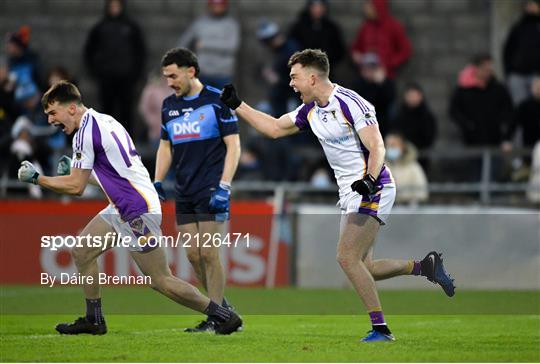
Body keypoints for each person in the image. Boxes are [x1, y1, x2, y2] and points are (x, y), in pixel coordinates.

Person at [220, 49, 455, 342]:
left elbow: (377, 146)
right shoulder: (310, 110)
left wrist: (369, 179)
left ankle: (381, 329)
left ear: (312, 77)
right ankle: (425, 267)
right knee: (364, 265)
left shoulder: (351, 103)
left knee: (345, 257)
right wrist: (237, 105)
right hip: (350, 191)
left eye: (294, 77)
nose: (291, 83)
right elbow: (275, 128)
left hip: (373, 186)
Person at [17, 81, 241, 335]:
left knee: (160, 280)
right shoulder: (103, 121)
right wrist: (77, 171)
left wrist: (38, 179)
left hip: (134, 209)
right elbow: (115, 174)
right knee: (82, 251)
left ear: (71, 108)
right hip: (126, 203)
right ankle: (94, 320)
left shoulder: (84, 133)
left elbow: (76, 188)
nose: (50, 120)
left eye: (52, 112)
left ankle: (224, 316)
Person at [153, 48, 241, 333]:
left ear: (191, 71)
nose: (169, 82)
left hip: (211, 187)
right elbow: (165, 146)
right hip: (184, 190)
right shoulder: (168, 105)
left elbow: (234, 146)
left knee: (209, 254)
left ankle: (217, 318)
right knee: (192, 256)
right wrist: (157, 180)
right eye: (166, 77)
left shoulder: (216, 101)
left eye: (173, 75)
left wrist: (225, 186)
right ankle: (222, 311)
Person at [83, 0, 146, 132]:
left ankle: (127, 141)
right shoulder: (100, 27)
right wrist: (96, 71)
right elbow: (89, 50)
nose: (114, 9)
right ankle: (107, 140)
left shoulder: (131, 27)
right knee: (107, 110)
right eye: (112, 6)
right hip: (107, 77)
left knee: (126, 111)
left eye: (117, 6)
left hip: (126, 77)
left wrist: (135, 73)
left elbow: (140, 51)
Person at [449, 54, 514, 147]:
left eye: (490, 67)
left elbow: (508, 111)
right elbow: (454, 110)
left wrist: (504, 131)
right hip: (471, 142)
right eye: (485, 67)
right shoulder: (463, 90)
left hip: (495, 141)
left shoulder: (498, 88)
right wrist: (467, 125)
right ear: (476, 68)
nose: (489, 71)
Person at [177, 0, 240, 89]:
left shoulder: (231, 24)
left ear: (225, 6)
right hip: (203, 73)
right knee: (201, 101)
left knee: (223, 102)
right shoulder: (200, 23)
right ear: (209, 5)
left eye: (220, 5)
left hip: (224, 74)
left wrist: (205, 45)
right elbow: (183, 42)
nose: (217, 8)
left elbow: (232, 46)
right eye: (214, 5)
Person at [350, 0, 411, 79]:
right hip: (365, 74)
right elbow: (356, 47)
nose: (366, 9)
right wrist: (358, 57)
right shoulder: (366, 26)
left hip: (385, 76)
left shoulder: (393, 26)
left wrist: (388, 64)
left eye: (369, 6)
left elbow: (405, 50)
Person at [289, 0, 346, 73]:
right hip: (303, 68)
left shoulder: (331, 28)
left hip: (325, 69)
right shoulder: (299, 26)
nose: (318, 10)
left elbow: (339, 49)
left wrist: (327, 61)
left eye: (320, 7)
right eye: (315, 7)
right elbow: (292, 47)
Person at [502, 0, 540, 106]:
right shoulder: (519, 27)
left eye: (533, 5)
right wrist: (509, 73)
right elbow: (508, 51)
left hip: (537, 75)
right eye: (528, 5)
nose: (530, 7)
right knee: (521, 108)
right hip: (518, 75)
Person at [351, 52, 395, 137]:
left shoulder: (386, 82)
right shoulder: (357, 84)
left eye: (372, 68)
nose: (369, 71)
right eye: (366, 68)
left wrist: (381, 84)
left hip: (381, 119)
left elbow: (389, 100)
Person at [384, 132, 428, 204]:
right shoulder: (380, 167)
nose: (390, 148)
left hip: (408, 209)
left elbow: (422, 193)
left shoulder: (413, 167)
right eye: (388, 145)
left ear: (403, 146)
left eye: (393, 145)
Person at [391, 82, 437, 151]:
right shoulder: (398, 114)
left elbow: (429, 137)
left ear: (420, 96)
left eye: (415, 96)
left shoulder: (427, 117)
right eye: (410, 95)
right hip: (401, 152)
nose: (412, 98)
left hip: (421, 152)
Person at [511, 77, 540, 148]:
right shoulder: (524, 106)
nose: (538, 90)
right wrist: (507, 139)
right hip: (529, 144)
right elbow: (514, 123)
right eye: (536, 87)